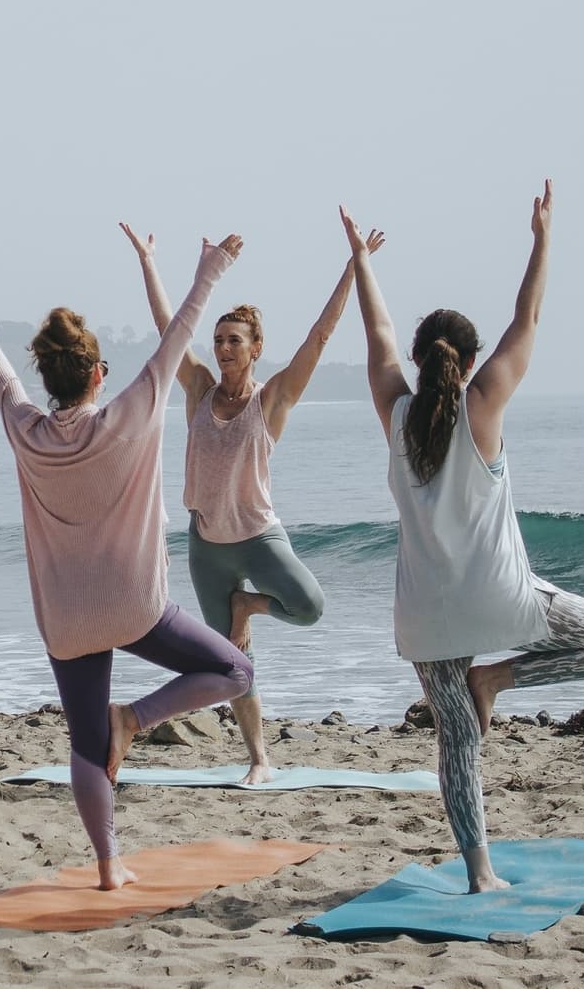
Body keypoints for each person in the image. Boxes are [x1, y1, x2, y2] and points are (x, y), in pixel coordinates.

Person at [0, 232, 255, 891]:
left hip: (67, 621)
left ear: (49, 380)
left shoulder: (25, 428)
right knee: (236, 671)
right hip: (136, 607)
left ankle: (109, 867)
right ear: (98, 374)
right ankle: (134, 719)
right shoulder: (128, 417)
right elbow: (179, 336)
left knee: (85, 744)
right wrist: (211, 269)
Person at [344, 183, 584, 892]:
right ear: (470, 362)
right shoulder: (485, 405)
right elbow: (527, 317)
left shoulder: (395, 414)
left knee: (457, 742)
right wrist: (542, 240)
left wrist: (362, 262)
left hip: (426, 616)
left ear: (419, 361)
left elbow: (377, 334)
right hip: (502, 600)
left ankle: (480, 873)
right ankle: (499, 677)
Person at [121, 222, 384, 784]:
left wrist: (352, 267)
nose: (222, 348)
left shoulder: (273, 400)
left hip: (260, 539)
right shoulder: (197, 389)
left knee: (309, 606)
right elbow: (170, 328)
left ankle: (249, 605)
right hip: (207, 546)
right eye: (218, 340)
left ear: (256, 348)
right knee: (234, 665)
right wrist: (148, 262)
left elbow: (319, 337)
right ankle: (259, 759)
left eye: (234, 340)